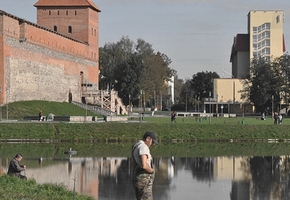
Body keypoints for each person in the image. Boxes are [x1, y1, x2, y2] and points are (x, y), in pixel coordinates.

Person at [131, 131, 158, 200]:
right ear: (148, 138)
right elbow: (144, 166)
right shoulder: (143, 147)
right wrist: (152, 171)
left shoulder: (136, 145)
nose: (152, 144)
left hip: (138, 178)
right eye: (152, 141)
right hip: (144, 181)